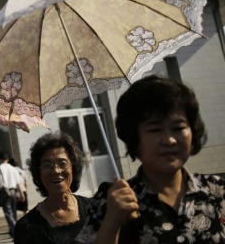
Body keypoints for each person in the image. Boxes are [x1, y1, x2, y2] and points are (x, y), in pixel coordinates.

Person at [75, 75, 225, 243]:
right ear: (135, 139)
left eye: (178, 127)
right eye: (155, 130)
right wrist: (112, 222)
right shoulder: (111, 201)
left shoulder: (217, 190)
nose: (169, 140)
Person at [14, 132, 91, 244]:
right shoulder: (26, 227)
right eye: (47, 165)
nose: (56, 170)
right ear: (38, 173)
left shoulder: (94, 210)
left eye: (62, 163)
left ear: (73, 168)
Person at [0, 151, 26, 237]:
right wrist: (22, 193)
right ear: (7, 159)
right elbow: (18, 183)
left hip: (5, 193)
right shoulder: (13, 168)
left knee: (8, 213)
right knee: (13, 212)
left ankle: (16, 231)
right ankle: (13, 231)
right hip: (14, 191)